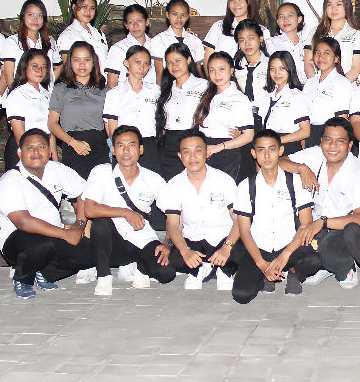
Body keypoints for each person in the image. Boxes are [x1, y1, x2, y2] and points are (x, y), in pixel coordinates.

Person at [281, 117, 360, 299]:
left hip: (340, 227)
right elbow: (280, 161)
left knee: (329, 250)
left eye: (340, 141)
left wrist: (323, 222)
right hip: (314, 220)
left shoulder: (358, 172)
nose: (333, 146)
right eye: (328, 139)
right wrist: (301, 168)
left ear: (350, 145)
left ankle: (345, 267)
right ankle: (323, 265)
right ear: (321, 142)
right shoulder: (315, 154)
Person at [0, 128, 94, 295]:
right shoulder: (10, 181)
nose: (36, 152)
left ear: (49, 151)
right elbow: (23, 222)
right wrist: (64, 233)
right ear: (19, 153)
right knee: (41, 245)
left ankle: (44, 273)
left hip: (53, 233)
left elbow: (84, 192)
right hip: (17, 238)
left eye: (41, 147)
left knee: (92, 252)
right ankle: (23, 278)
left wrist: (79, 224)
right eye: (29, 148)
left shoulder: (57, 169)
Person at [231, 130, 321, 303]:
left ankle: (293, 272)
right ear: (253, 153)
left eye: (272, 149)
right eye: (261, 150)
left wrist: (284, 255)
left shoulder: (295, 182)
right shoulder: (246, 186)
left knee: (313, 260)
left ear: (280, 151)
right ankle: (266, 274)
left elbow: (306, 225)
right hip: (260, 247)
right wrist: (261, 264)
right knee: (242, 295)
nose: (266, 155)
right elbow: (244, 230)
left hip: (289, 245)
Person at [80, 125, 169, 296]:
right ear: (113, 150)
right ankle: (103, 276)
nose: (126, 151)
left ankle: (139, 266)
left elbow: (173, 215)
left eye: (131, 145)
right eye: (120, 145)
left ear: (141, 150)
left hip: (141, 238)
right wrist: (125, 212)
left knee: (165, 273)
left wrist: (167, 243)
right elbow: (89, 210)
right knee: (100, 223)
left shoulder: (153, 179)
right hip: (113, 242)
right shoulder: (101, 172)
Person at [150, 131, 242, 290]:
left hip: (223, 238)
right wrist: (185, 251)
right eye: (186, 152)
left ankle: (224, 270)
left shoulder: (224, 180)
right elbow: (173, 225)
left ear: (207, 152)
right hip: (193, 240)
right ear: (180, 156)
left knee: (242, 251)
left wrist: (227, 247)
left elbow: (239, 220)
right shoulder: (173, 185)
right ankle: (202, 267)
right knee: (175, 258)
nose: (192, 156)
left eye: (198, 150)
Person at [48, 40, 111, 179]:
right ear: (70, 63)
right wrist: (73, 143)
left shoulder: (105, 90)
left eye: (86, 60)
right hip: (72, 149)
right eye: (76, 60)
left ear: (93, 62)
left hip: (99, 149)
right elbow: (52, 123)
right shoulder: (61, 89)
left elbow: (110, 125)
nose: (82, 64)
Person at [193, 50, 256, 179]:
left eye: (221, 69)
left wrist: (219, 147)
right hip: (205, 150)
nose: (217, 74)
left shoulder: (239, 99)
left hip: (226, 153)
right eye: (212, 70)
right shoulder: (206, 95)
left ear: (231, 70)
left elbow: (249, 135)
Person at [103, 45, 161, 174]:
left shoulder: (156, 91)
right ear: (126, 63)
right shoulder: (115, 93)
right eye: (137, 62)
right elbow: (111, 126)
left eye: (146, 64)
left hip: (149, 146)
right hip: (125, 146)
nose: (142, 67)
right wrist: (118, 147)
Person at [154, 42, 208, 178]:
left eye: (178, 60)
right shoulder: (165, 88)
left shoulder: (204, 85)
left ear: (188, 60)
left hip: (193, 142)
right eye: (169, 62)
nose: (174, 66)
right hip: (168, 144)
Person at [3, 49, 55, 170]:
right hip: (24, 151)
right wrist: (30, 154)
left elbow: (50, 129)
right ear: (24, 67)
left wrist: (55, 160)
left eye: (43, 67)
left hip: (43, 149)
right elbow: (19, 133)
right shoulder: (17, 94)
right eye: (35, 66)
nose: (39, 71)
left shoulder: (46, 94)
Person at [1, 0, 61, 94]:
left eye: (39, 15)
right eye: (30, 15)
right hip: (20, 96)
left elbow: (58, 66)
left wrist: (49, 85)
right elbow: (9, 76)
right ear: (23, 17)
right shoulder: (12, 42)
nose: (35, 19)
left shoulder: (50, 42)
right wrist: (16, 95)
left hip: (45, 96)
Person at [256, 51, 311, 155]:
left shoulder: (297, 96)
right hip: (270, 146)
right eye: (273, 69)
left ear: (290, 69)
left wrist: (276, 141)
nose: (277, 73)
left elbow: (305, 132)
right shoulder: (267, 96)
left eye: (282, 68)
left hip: (288, 146)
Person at [306, 0, 360, 83]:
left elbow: (356, 68)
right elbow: (308, 63)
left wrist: (338, 87)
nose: (334, 9)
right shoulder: (314, 32)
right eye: (329, 4)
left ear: (347, 6)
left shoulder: (356, 35)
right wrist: (317, 84)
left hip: (345, 86)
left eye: (338, 4)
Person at [303, 37, 354, 146]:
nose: (321, 57)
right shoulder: (310, 82)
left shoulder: (341, 82)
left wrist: (325, 143)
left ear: (336, 58)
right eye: (317, 53)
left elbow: (341, 119)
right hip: (307, 134)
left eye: (326, 53)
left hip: (329, 136)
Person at [204, 0, 269, 57]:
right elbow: (208, 58)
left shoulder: (262, 30)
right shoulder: (219, 26)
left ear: (249, 1)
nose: (236, 4)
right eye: (232, 0)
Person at [148, 0, 205, 80]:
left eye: (183, 15)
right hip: (169, 85)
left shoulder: (196, 41)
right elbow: (159, 73)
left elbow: (198, 72)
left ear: (187, 17)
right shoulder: (158, 40)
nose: (179, 18)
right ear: (167, 15)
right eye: (174, 14)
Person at [55, 0, 109, 70]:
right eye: (84, 7)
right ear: (74, 7)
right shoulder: (67, 36)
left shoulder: (99, 34)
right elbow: (68, 69)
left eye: (92, 8)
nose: (88, 11)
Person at [105, 4, 156, 88]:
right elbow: (112, 82)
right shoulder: (119, 48)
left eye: (139, 20)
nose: (135, 25)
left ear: (147, 22)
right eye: (131, 22)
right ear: (126, 25)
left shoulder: (155, 45)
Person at [267, 2, 309, 84]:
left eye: (290, 15)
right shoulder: (271, 43)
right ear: (278, 22)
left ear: (299, 19)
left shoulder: (306, 45)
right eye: (281, 17)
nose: (285, 20)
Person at [232, 19, 269, 102]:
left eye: (251, 38)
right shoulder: (233, 67)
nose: (247, 44)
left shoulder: (271, 65)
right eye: (242, 40)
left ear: (260, 38)